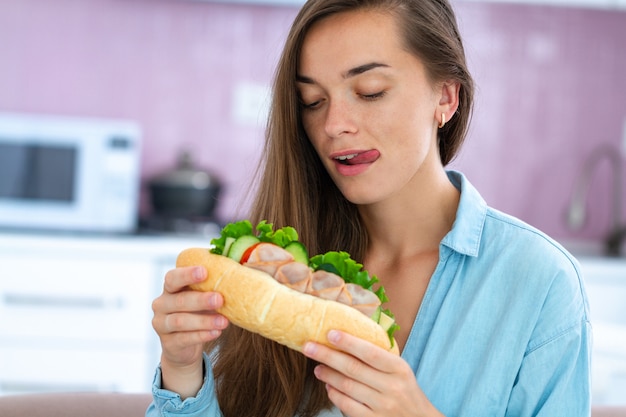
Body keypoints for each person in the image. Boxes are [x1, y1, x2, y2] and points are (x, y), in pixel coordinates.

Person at [147, 0, 592, 416]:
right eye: (313, 102)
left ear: (446, 98)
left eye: (370, 91)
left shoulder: (539, 281)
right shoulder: (268, 272)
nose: (334, 125)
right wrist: (183, 370)